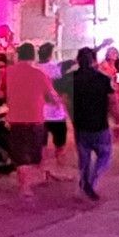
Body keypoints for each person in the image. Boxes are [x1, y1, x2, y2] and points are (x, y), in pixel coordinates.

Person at [0, 41, 54, 200]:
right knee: (34, 154)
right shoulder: (40, 74)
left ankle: (25, 186)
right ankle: (30, 183)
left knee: (20, 155)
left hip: (15, 119)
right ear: (33, 56)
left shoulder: (7, 72)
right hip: (35, 119)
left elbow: (2, 92)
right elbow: (50, 97)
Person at [69, 45, 115, 199]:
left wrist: (72, 118)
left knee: (84, 158)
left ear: (78, 60)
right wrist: (118, 121)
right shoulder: (103, 79)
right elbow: (113, 102)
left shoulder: (72, 79)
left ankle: (84, 181)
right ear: (94, 61)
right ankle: (92, 181)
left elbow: (66, 101)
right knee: (105, 155)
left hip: (81, 125)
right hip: (99, 124)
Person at [38, 41, 71, 178]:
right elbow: (59, 88)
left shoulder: (35, 68)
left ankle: (43, 173)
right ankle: (60, 171)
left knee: (42, 146)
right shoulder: (54, 68)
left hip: (40, 113)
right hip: (56, 113)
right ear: (51, 54)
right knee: (60, 145)